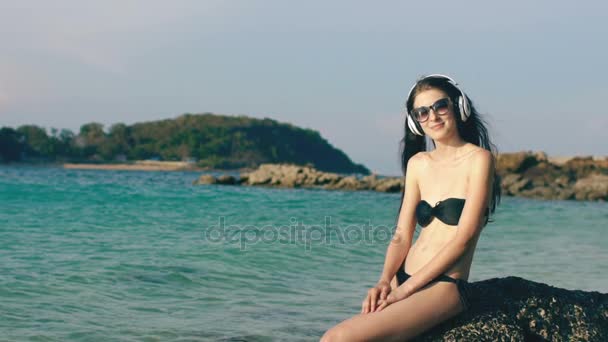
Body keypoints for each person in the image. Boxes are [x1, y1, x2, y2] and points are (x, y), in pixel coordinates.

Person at [321, 74, 501, 341]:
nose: (433, 117)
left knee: (338, 338)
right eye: (422, 112)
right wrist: (384, 281)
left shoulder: (479, 160)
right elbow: (403, 235)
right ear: (415, 122)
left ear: (458, 107)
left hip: (443, 285)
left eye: (440, 106)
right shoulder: (418, 164)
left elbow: (464, 238)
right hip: (402, 277)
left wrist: (405, 292)